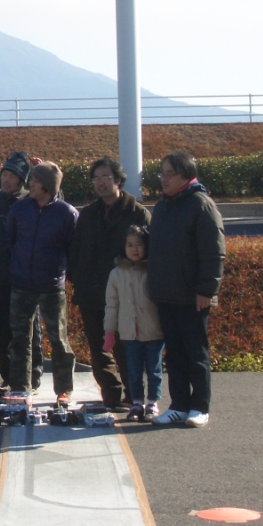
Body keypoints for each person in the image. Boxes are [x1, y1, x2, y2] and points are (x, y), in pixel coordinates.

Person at [147, 150, 225, 428]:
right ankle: (178, 405)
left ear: (186, 176)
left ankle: (200, 407)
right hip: (166, 294)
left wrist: (206, 290)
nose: (164, 179)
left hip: (194, 296)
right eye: (162, 173)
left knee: (196, 354)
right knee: (175, 354)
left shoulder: (200, 205)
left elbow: (213, 253)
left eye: (170, 174)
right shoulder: (164, 205)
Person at [67, 157, 151, 410]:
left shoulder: (137, 213)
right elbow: (76, 251)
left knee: (128, 346)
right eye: (96, 178)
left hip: (127, 294)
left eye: (106, 177)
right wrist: (77, 278)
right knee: (98, 348)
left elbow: (150, 254)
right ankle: (111, 395)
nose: (100, 183)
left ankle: (134, 394)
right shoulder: (88, 214)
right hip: (91, 292)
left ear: (119, 180)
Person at [5, 161, 78, 401]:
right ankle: (20, 388)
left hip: (51, 287)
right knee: (19, 339)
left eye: (35, 180)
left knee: (58, 340)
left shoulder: (67, 213)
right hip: (21, 284)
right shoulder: (19, 209)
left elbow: (73, 249)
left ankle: (63, 390)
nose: (30, 184)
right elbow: (11, 240)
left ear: (47, 186)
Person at [0, 151, 44, 394]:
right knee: (3, 329)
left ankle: (33, 377)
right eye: (4, 174)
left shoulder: (30, 204)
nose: (6, 179)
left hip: (27, 278)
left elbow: (54, 206)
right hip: (0, 277)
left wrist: (43, 173)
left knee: (30, 330)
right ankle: (9, 377)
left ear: (22, 179)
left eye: (12, 175)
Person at [104, 225, 164, 422]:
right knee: (133, 370)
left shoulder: (154, 270)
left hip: (154, 331)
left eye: (139, 245)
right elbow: (111, 305)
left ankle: (153, 402)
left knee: (154, 370)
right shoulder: (117, 273)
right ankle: (136, 402)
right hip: (129, 333)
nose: (134, 249)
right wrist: (110, 331)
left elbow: (164, 302)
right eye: (130, 245)